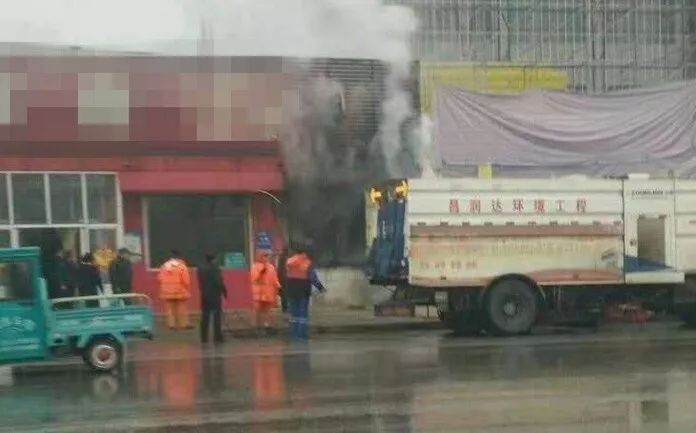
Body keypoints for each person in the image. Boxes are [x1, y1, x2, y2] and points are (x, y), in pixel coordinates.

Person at [285, 247, 326, 340]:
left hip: (291, 290)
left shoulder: (289, 262)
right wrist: (320, 288)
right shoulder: (307, 263)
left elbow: (286, 276)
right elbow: (313, 278)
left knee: (294, 314)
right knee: (302, 314)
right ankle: (302, 334)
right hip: (303, 290)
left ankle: (294, 334)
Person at [158, 250, 192, 330]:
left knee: (170, 309)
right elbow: (186, 280)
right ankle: (183, 324)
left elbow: (159, 278)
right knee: (181, 308)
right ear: (179, 258)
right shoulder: (182, 266)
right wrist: (186, 287)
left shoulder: (164, 266)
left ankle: (171, 324)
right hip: (179, 290)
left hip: (167, 291)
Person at [197, 253, 227, 344]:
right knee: (216, 316)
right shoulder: (215, 269)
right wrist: (224, 291)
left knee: (205, 316)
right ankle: (217, 337)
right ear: (214, 259)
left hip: (204, 295)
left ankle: (204, 338)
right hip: (215, 295)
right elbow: (219, 281)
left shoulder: (200, 269)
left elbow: (200, 282)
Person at [250, 251, 281, 334]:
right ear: (259, 257)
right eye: (264, 256)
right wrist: (261, 272)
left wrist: (278, 286)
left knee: (267, 311)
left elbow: (275, 278)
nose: (266, 258)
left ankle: (266, 326)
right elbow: (254, 279)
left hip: (268, 293)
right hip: (258, 293)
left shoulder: (271, 267)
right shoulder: (255, 267)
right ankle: (257, 327)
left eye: (267, 256)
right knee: (258, 310)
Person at [277, 247, 289, 313]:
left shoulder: (280, 258)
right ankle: (285, 308)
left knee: (283, 294)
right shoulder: (284, 258)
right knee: (285, 294)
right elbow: (285, 269)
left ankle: (284, 308)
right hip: (284, 278)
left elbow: (279, 269)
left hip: (281, 278)